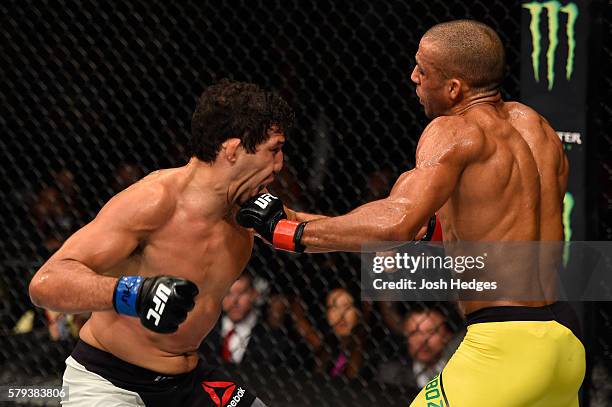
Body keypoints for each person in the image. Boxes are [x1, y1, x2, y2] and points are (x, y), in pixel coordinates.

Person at [237, 20, 585, 406]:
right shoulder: (540, 129)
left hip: (503, 347)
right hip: (564, 341)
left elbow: (399, 222)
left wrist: (289, 233)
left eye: (423, 69)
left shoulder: (454, 131)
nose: (413, 76)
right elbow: (497, 229)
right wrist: (299, 217)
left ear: (455, 88)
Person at [28, 78, 294, 407]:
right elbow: (45, 283)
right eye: (274, 149)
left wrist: (378, 225)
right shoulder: (155, 202)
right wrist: (134, 294)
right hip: (108, 381)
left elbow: (315, 231)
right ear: (234, 150)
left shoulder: (248, 211)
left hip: (185, 381)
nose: (280, 164)